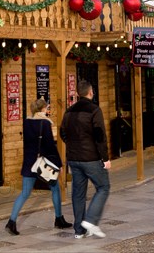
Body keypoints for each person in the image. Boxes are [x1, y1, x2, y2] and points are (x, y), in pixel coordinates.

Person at [5, 99, 72, 235]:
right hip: (44, 164)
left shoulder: (27, 122)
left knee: (24, 193)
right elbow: (50, 146)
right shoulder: (45, 123)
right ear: (42, 109)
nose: (48, 110)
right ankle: (59, 219)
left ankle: (11, 222)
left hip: (30, 163)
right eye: (47, 107)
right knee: (55, 189)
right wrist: (59, 164)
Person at [60, 80, 110, 239]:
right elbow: (99, 136)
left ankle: (79, 231)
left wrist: (72, 145)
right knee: (103, 187)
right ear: (90, 93)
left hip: (74, 159)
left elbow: (62, 133)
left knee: (78, 193)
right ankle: (90, 220)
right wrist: (105, 158)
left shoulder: (68, 111)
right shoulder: (95, 110)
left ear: (78, 94)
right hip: (91, 158)